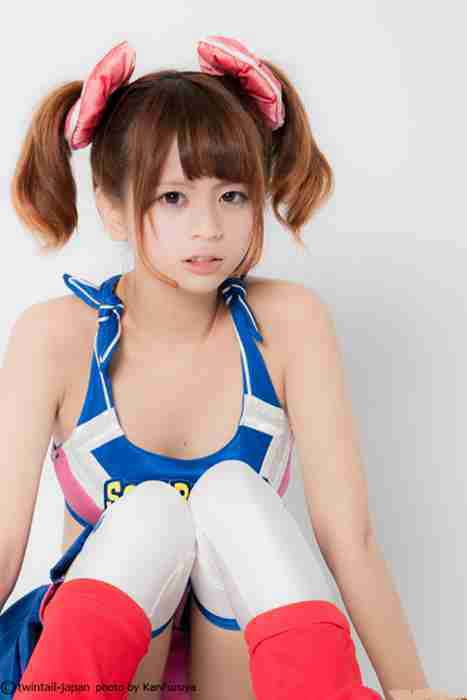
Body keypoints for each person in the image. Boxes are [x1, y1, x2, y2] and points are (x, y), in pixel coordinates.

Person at [2, 35, 429, 700]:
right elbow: (4, 545)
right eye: (172, 197)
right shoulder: (54, 337)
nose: (208, 228)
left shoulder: (289, 325)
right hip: (103, 678)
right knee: (149, 515)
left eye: (231, 196)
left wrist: (413, 691)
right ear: (111, 205)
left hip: (239, 678)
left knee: (233, 495)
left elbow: (350, 538)